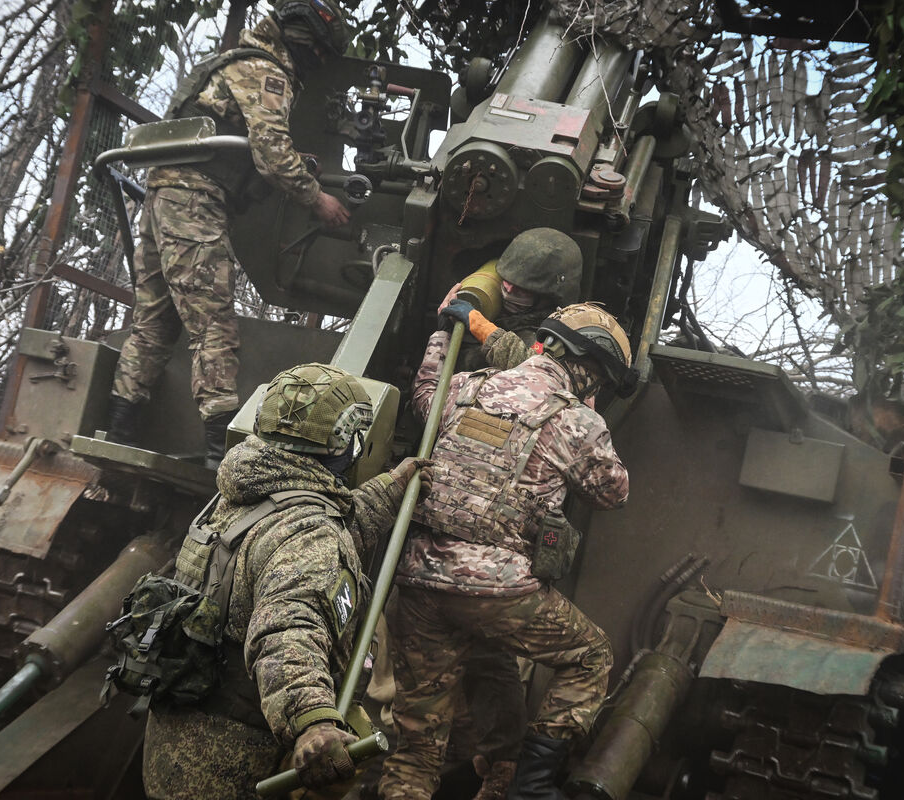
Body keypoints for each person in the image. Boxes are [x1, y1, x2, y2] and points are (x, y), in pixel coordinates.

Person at [377, 303, 636, 800]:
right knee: (589, 657)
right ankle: (531, 788)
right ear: (587, 367)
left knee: (415, 751)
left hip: (418, 586)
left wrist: (440, 335)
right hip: (499, 593)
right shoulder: (578, 420)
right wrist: (589, 414)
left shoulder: (467, 387)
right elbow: (613, 493)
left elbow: (424, 395)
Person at [141, 363, 429, 799]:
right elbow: (288, 628)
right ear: (345, 442)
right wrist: (313, 720)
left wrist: (390, 489)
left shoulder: (241, 491)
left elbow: (292, 546)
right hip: (233, 764)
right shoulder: (309, 530)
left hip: (174, 743)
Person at [107, 0, 353, 463]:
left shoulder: (235, 62)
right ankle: (219, 448)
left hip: (164, 194)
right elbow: (272, 152)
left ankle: (119, 428)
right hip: (194, 197)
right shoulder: (265, 72)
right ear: (304, 41)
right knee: (213, 325)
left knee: (155, 323)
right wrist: (317, 198)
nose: (317, 62)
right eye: (318, 51)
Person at [439, 227, 583, 373]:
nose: (509, 290)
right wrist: (446, 333)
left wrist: (482, 329)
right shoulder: (493, 307)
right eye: (506, 280)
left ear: (550, 297)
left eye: (523, 288)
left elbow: (536, 371)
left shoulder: (554, 340)